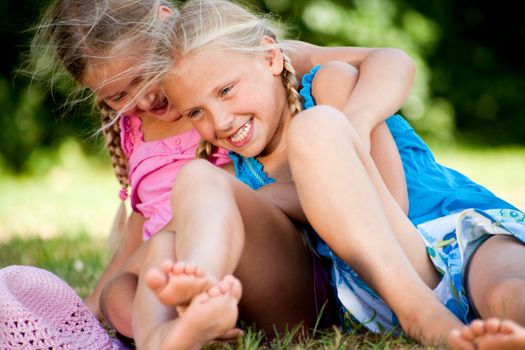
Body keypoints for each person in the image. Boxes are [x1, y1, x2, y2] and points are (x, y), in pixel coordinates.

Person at [31, 0, 419, 347]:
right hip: (175, 259)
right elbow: (144, 217)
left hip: (265, 261)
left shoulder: (236, 74)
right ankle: (183, 327)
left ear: (165, 20)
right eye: (118, 96)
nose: (143, 99)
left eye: (143, 74)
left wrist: (353, 128)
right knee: (118, 295)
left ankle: (199, 310)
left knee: (201, 199)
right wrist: (93, 304)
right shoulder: (136, 127)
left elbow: (388, 59)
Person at [138, 0, 525, 347]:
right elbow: (178, 231)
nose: (219, 122)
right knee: (195, 180)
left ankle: (470, 321)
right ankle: (200, 296)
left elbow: (394, 203)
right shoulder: (244, 170)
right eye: (195, 113)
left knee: (507, 291)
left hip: (450, 232)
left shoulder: (330, 86)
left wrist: (308, 170)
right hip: (371, 287)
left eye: (225, 91)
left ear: (270, 57)